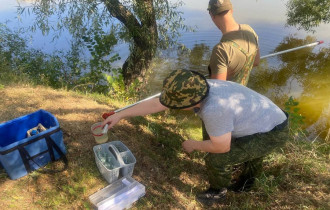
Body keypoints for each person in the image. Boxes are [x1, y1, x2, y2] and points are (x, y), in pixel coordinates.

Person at [101, 70, 289, 204]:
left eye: (176, 105)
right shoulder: (201, 87)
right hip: (266, 119)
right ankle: (246, 180)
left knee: (218, 158)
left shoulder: (215, 109)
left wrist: (194, 145)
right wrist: (120, 114)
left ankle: (219, 192)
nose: (172, 107)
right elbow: (155, 105)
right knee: (224, 143)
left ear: (191, 102)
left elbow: (222, 148)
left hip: (271, 133)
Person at [207, 0, 260, 85]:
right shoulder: (249, 30)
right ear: (231, 10)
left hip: (229, 96)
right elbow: (256, 62)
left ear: (212, 15)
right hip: (242, 91)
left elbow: (218, 90)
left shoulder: (221, 50)